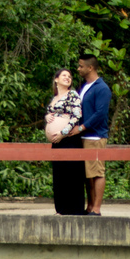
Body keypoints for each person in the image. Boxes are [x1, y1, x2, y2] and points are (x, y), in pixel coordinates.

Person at [44, 68, 86, 215]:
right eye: (64, 75)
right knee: (59, 175)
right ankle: (60, 209)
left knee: (72, 174)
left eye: (69, 76)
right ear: (56, 79)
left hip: (69, 139)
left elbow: (76, 116)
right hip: (56, 142)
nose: (67, 78)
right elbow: (51, 114)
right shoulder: (54, 98)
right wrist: (47, 118)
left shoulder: (72, 95)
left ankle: (73, 209)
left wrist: (63, 133)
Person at [75, 54, 111, 215]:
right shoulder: (85, 86)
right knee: (87, 174)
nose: (78, 69)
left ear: (90, 68)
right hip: (83, 137)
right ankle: (89, 206)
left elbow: (100, 114)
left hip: (95, 136)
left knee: (97, 172)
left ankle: (96, 208)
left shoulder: (102, 88)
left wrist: (82, 127)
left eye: (81, 66)